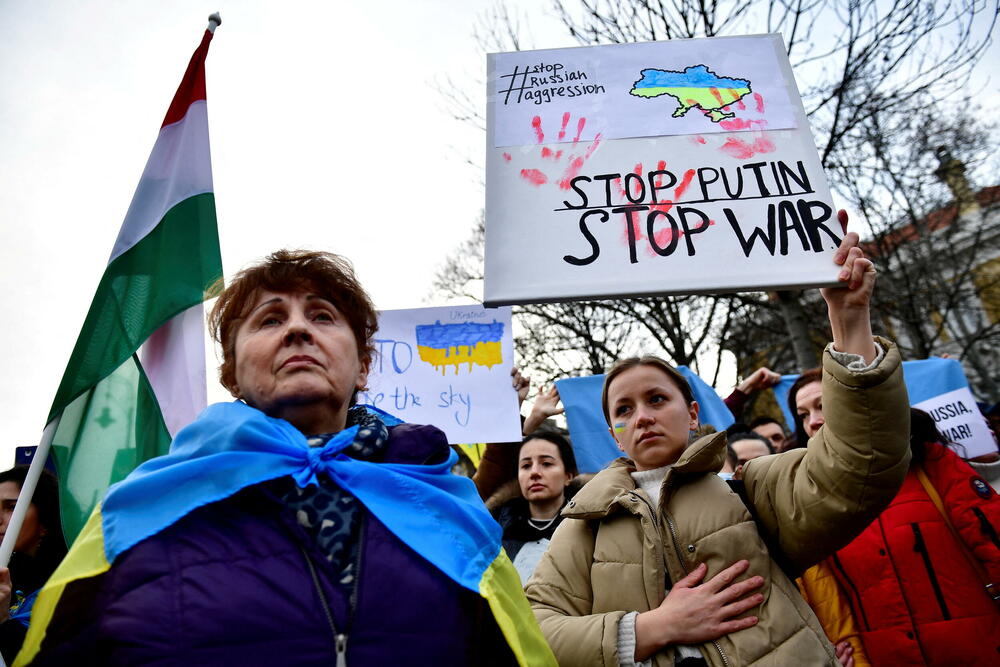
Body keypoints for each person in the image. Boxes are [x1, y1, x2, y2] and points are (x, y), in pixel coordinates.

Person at [18, 250, 554, 667]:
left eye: (322, 316)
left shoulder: (443, 500)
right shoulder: (137, 510)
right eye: (269, 320)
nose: (298, 329)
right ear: (232, 373)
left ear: (363, 366)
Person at [526, 218, 912, 666]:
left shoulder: (748, 488)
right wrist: (651, 628)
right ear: (614, 434)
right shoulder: (584, 525)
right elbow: (532, 629)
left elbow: (859, 466)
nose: (643, 416)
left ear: (692, 413)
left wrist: (849, 324)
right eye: (624, 410)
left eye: (656, 399)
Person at [796, 407, 1000, 666]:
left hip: (978, 651)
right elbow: (822, 600)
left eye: (823, 405)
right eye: (802, 415)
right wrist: (829, 648)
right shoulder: (812, 503)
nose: (813, 421)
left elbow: (993, 544)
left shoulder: (931, 463)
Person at [490, 431, 580, 585]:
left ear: (568, 476)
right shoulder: (495, 528)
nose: (534, 473)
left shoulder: (588, 526)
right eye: (526, 465)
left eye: (546, 463)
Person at [0, 468, 67, 663]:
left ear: (46, 517)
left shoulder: (71, 581)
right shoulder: (9, 571)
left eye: (11, 507)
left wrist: (3, 620)